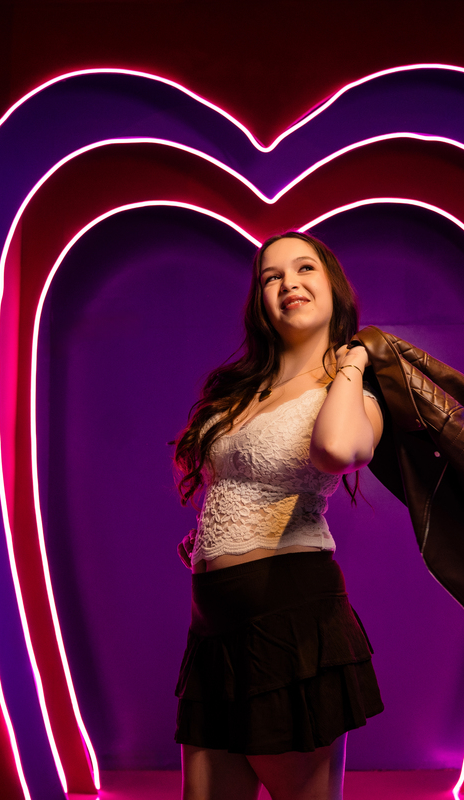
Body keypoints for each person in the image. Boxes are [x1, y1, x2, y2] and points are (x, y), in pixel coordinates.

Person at [172, 232, 384, 800]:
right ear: (260, 301)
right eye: (271, 276)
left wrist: (354, 359)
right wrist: (214, 537)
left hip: (289, 620)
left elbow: (336, 450)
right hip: (212, 625)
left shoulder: (352, 391)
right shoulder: (242, 391)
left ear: (334, 288)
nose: (289, 282)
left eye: (305, 268)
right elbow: (237, 479)